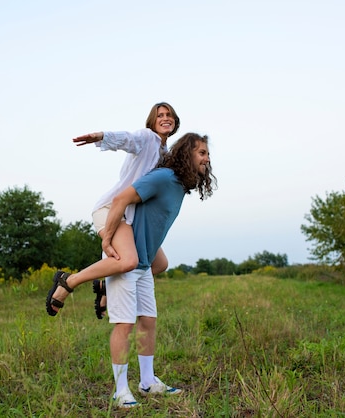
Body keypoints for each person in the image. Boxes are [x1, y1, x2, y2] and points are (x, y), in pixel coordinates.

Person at [51, 132, 216, 408]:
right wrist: (107, 240)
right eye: (201, 153)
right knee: (124, 325)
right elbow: (120, 200)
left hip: (142, 265)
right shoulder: (162, 178)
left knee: (148, 322)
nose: (207, 159)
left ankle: (148, 381)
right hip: (127, 261)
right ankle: (120, 390)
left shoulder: (180, 186)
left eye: (208, 154)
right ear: (187, 154)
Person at [46, 102, 180, 318]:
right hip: (111, 209)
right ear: (152, 122)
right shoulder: (148, 138)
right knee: (128, 261)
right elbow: (128, 139)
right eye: (160, 115)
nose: (166, 118)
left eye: (169, 115)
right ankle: (68, 281)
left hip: (131, 218)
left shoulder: (165, 153)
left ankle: (106, 287)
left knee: (160, 264)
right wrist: (101, 136)